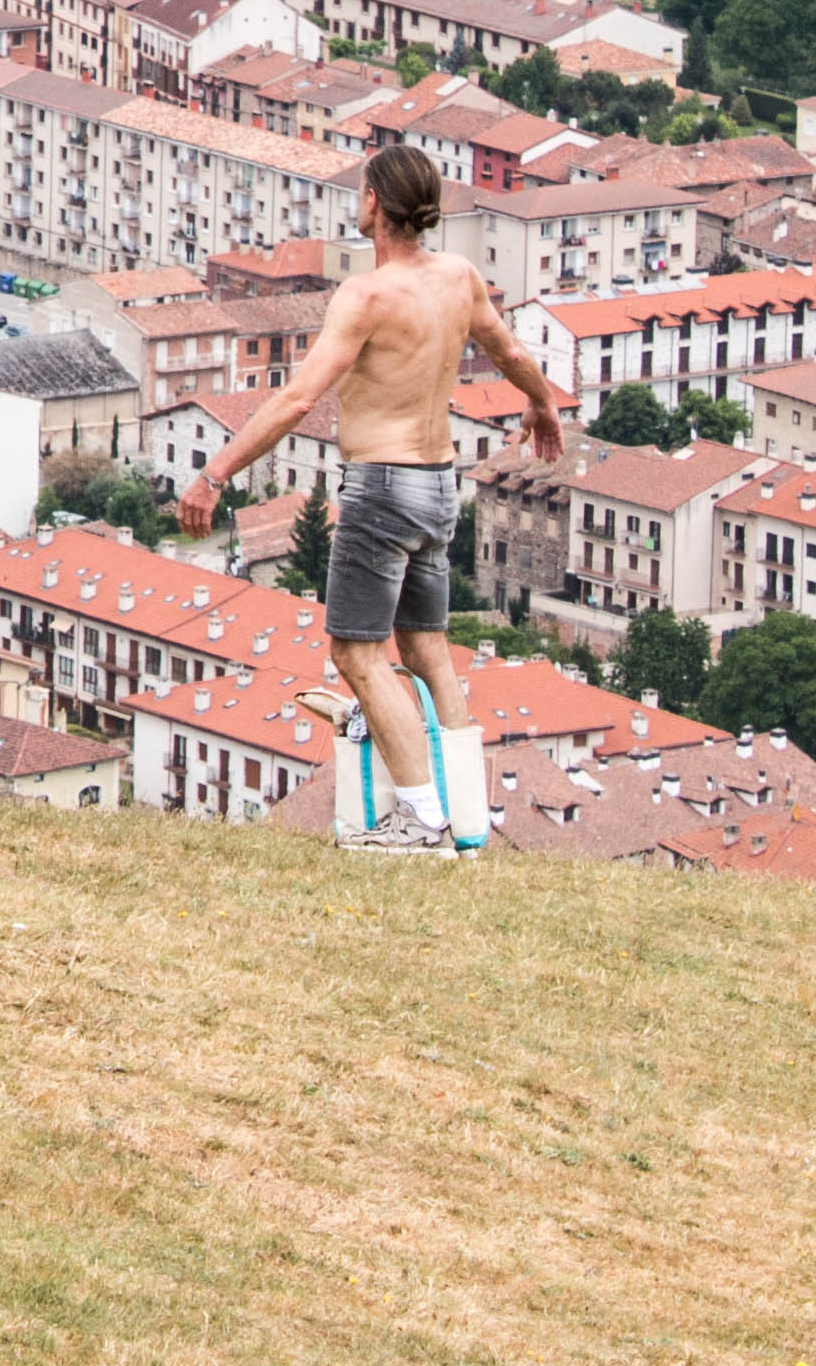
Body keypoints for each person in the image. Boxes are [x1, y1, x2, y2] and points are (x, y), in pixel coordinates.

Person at [176, 140, 570, 856]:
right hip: (440, 486)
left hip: (382, 487)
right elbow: (510, 354)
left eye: (360, 192)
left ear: (374, 206)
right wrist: (543, 407)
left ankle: (421, 820)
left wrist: (215, 474)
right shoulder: (458, 278)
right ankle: (469, 823)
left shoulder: (365, 297)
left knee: (357, 654)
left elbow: (298, 401)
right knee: (426, 648)